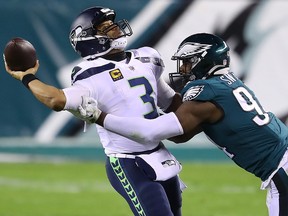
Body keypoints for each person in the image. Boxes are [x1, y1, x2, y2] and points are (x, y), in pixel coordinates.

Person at [80, 33, 288, 216]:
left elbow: (151, 132)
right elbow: (182, 135)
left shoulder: (204, 94)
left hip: (281, 168)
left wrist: (99, 116)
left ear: (203, 61)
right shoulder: (226, 83)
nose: (184, 69)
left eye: (188, 62)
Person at [4, 6, 185, 216]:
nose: (115, 28)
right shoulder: (88, 73)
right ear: (88, 37)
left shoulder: (147, 57)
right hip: (128, 160)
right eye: (105, 27)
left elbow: (170, 101)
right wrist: (27, 77)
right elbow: (55, 100)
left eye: (112, 24)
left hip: (160, 152)